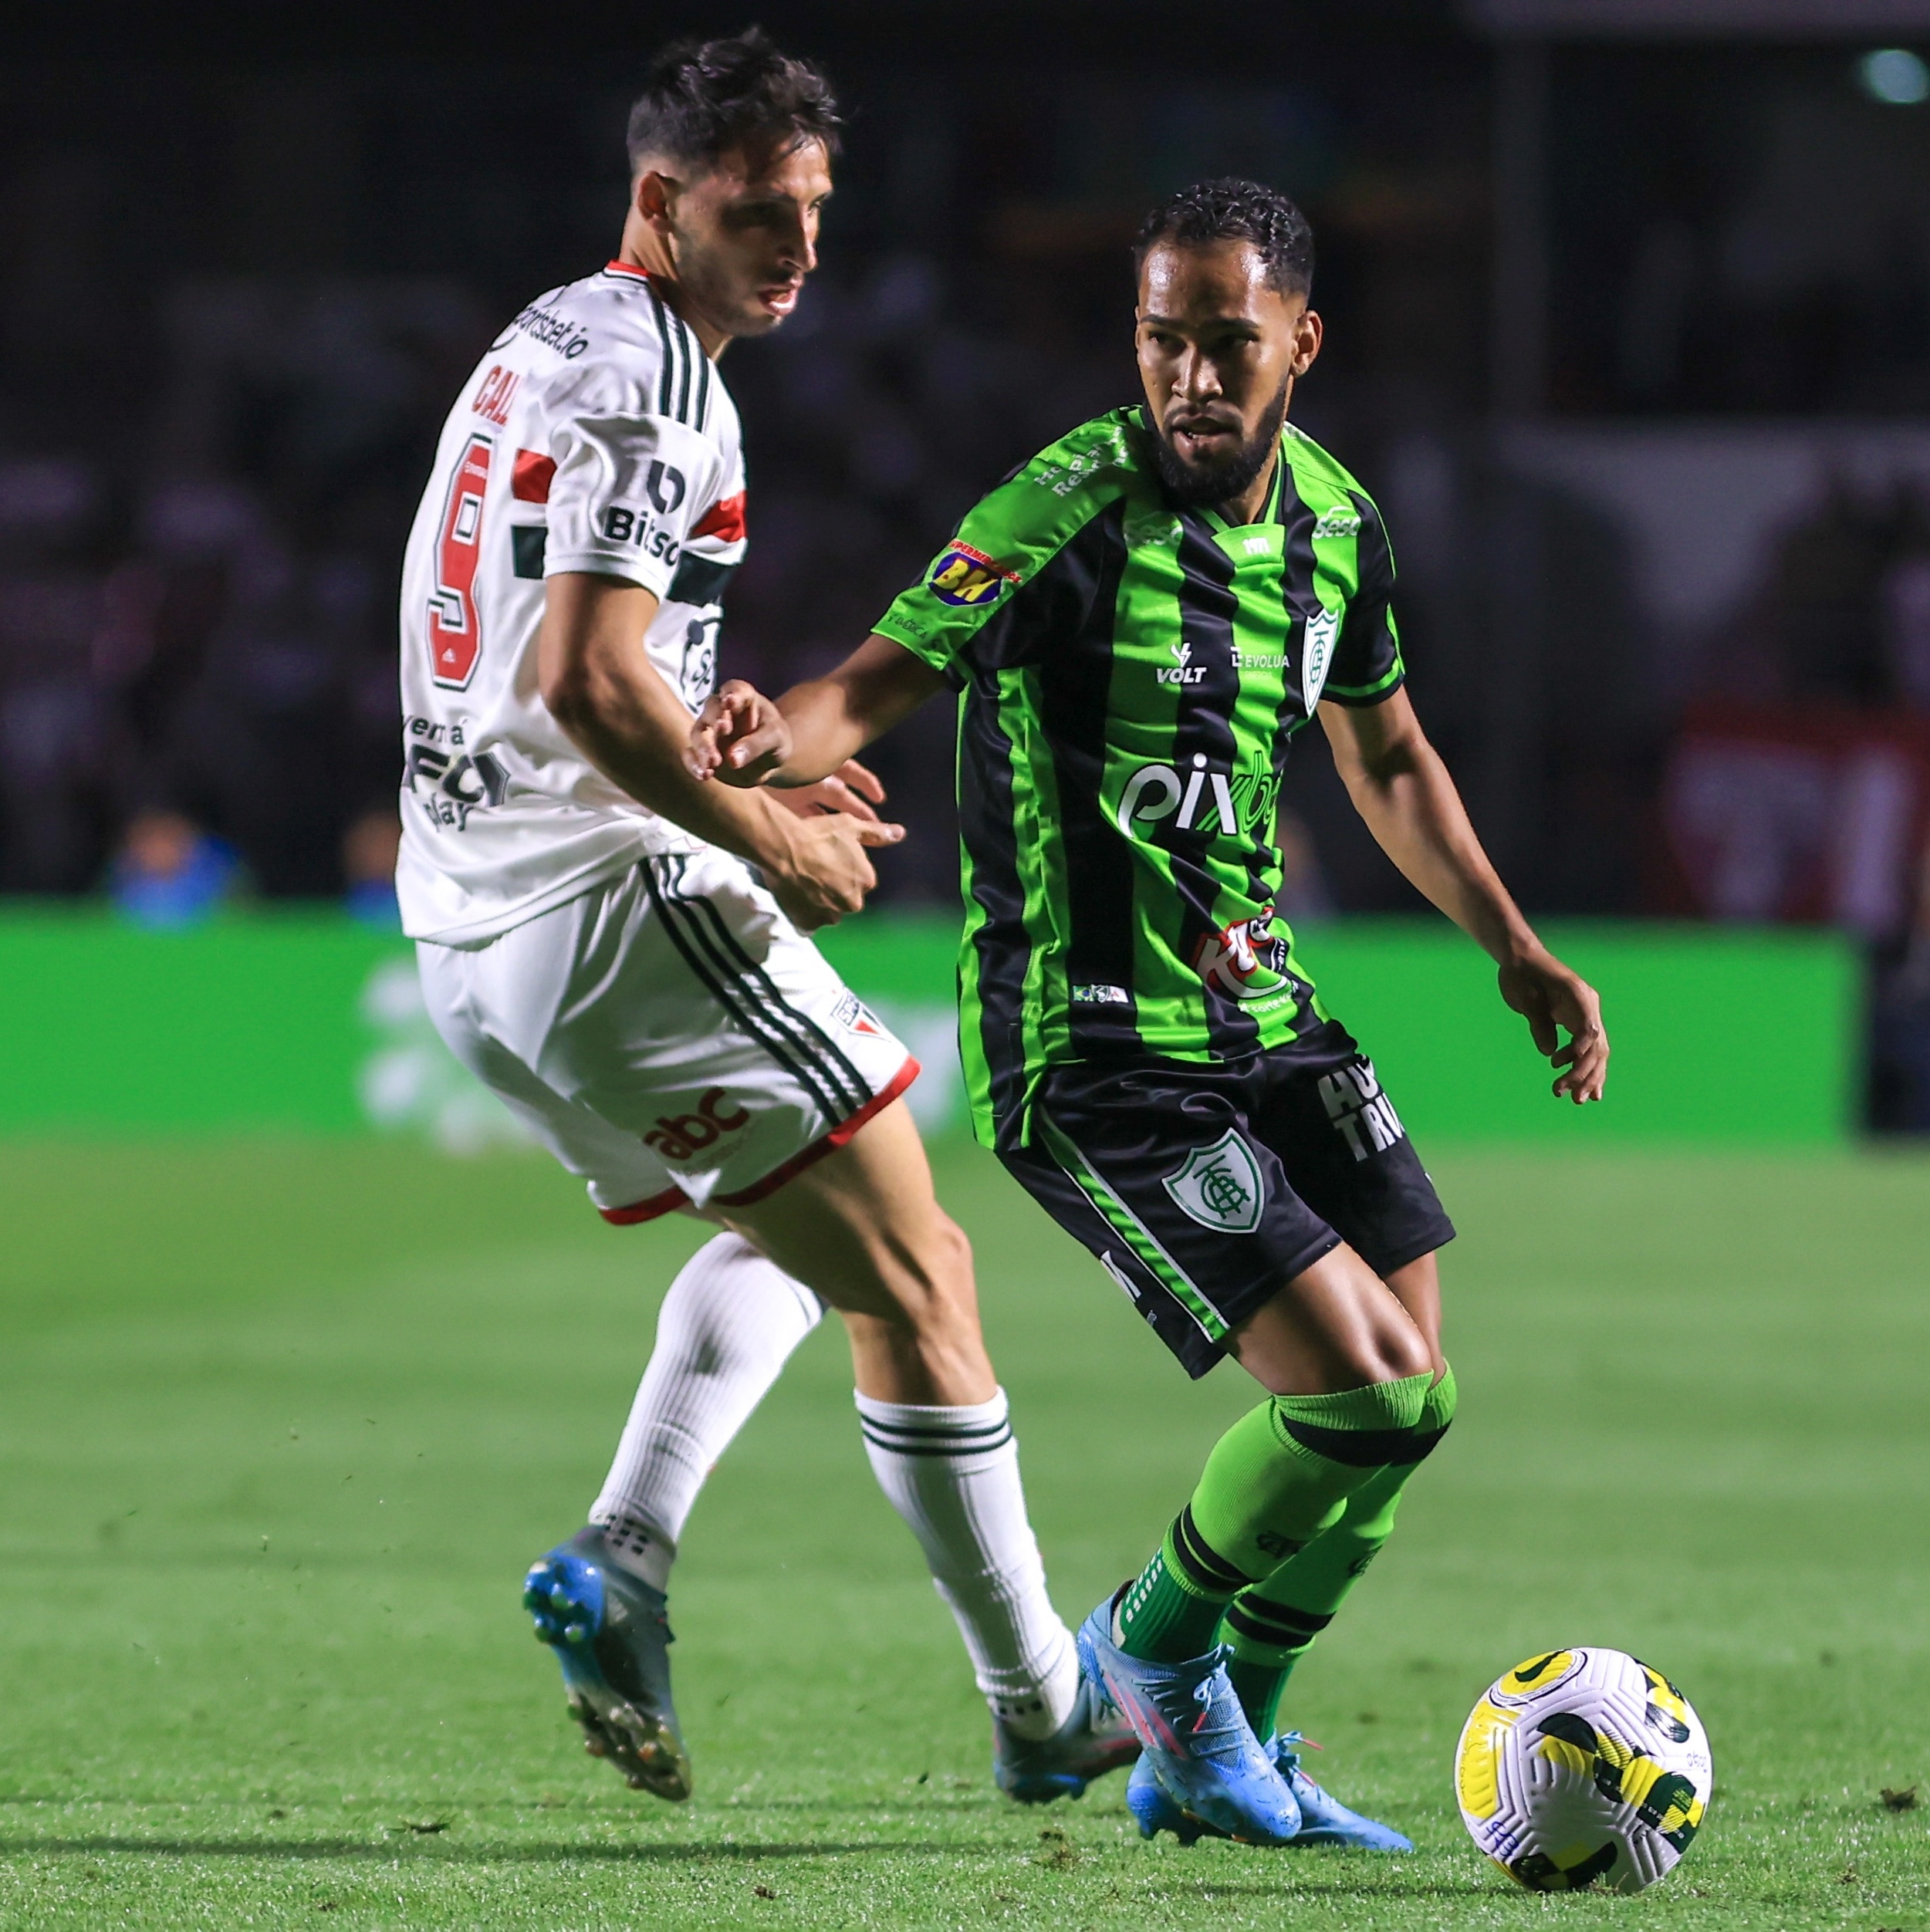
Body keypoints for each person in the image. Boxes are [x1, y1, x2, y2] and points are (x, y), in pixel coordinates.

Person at [688, 177, 1610, 1852]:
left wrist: (1515, 947)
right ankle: (1153, 1648)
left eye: (1224, 343)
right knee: (1361, 1394)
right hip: (1097, 1044)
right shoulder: (1062, 508)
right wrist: (775, 743)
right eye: (1159, 338)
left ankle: (1227, 1741)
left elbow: (1386, 753)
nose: (1187, 374)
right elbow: (873, 682)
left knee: (1414, 1412)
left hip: (1270, 1015)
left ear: (1299, 345)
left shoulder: (1337, 523)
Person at [395, 30, 1132, 1808]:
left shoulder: (542, 338)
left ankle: (628, 1557)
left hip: (467, 928)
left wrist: (734, 753)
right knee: (925, 1273)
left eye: (814, 210)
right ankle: (1045, 1706)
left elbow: (550, 654)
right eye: (755, 212)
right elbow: (581, 679)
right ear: (662, 201)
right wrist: (762, 833)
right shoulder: (664, 378)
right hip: (604, 896)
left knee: (819, 1243)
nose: (796, 247)